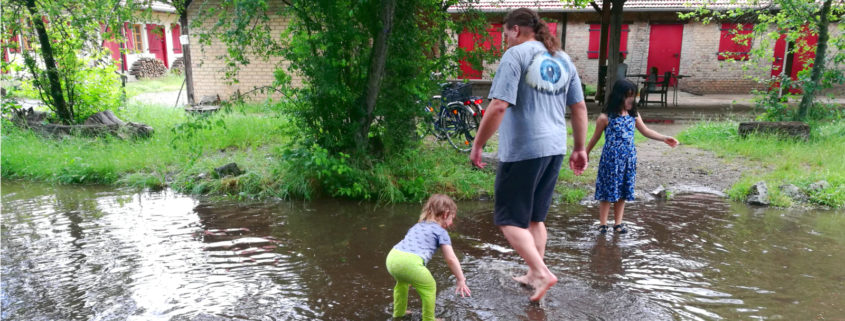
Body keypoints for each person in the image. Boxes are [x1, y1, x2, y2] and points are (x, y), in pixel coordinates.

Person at [469, 8, 589, 302]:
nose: (503, 39)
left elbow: (498, 105)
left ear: (516, 30)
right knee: (535, 218)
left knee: (508, 218)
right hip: (555, 148)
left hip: (524, 150)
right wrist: (579, 148)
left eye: (504, 33)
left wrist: (478, 144)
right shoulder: (563, 59)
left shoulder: (516, 55)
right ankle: (535, 275)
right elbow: (580, 108)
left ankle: (542, 272)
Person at [586, 79, 679, 234]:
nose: (630, 100)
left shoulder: (634, 115)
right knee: (607, 192)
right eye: (627, 96)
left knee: (622, 191)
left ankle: (618, 224)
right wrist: (586, 152)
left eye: (632, 96)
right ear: (618, 96)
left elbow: (646, 131)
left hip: (628, 160)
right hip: (611, 160)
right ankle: (603, 224)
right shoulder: (605, 117)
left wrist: (664, 138)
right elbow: (595, 138)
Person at [385, 194, 471, 321]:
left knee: (402, 283)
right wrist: (461, 279)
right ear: (446, 214)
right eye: (452, 218)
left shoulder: (417, 226)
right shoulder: (441, 232)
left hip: (392, 257)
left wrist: (408, 273)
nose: (452, 222)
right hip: (410, 263)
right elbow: (451, 259)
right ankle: (429, 318)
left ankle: (399, 313)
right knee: (430, 286)